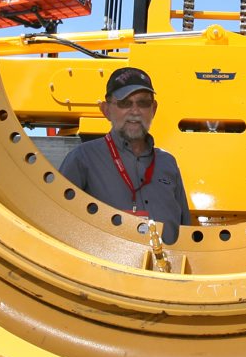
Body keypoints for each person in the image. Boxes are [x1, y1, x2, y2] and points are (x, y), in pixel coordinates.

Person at [60, 66, 191, 243]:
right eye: (124, 103)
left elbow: (185, 231)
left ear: (153, 109)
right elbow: (59, 221)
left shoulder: (167, 163)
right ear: (106, 110)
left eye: (143, 103)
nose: (135, 111)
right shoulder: (83, 159)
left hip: (164, 268)